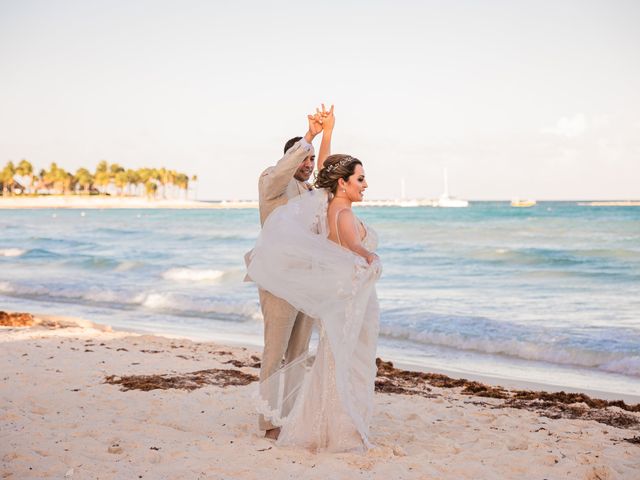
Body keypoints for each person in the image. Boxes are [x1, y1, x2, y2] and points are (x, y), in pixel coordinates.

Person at [246, 154, 381, 452]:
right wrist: (370, 257)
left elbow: (327, 167)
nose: (366, 184)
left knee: (319, 359)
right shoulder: (283, 186)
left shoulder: (324, 201)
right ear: (343, 183)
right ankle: (272, 422)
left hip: (328, 292)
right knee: (301, 356)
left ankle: (308, 420)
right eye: (360, 179)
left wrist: (328, 132)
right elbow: (355, 247)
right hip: (303, 289)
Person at [254, 106, 335, 440]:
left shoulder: (309, 193)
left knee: (298, 356)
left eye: (311, 160)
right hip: (278, 282)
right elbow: (283, 170)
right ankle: (269, 422)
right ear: (289, 157)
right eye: (303, 158)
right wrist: (310, 136)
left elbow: (328, 179)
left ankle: (289, 418)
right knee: (275, 354)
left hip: (307, 283)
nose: (308, 164)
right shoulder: (272, 183)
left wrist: (328, 134)